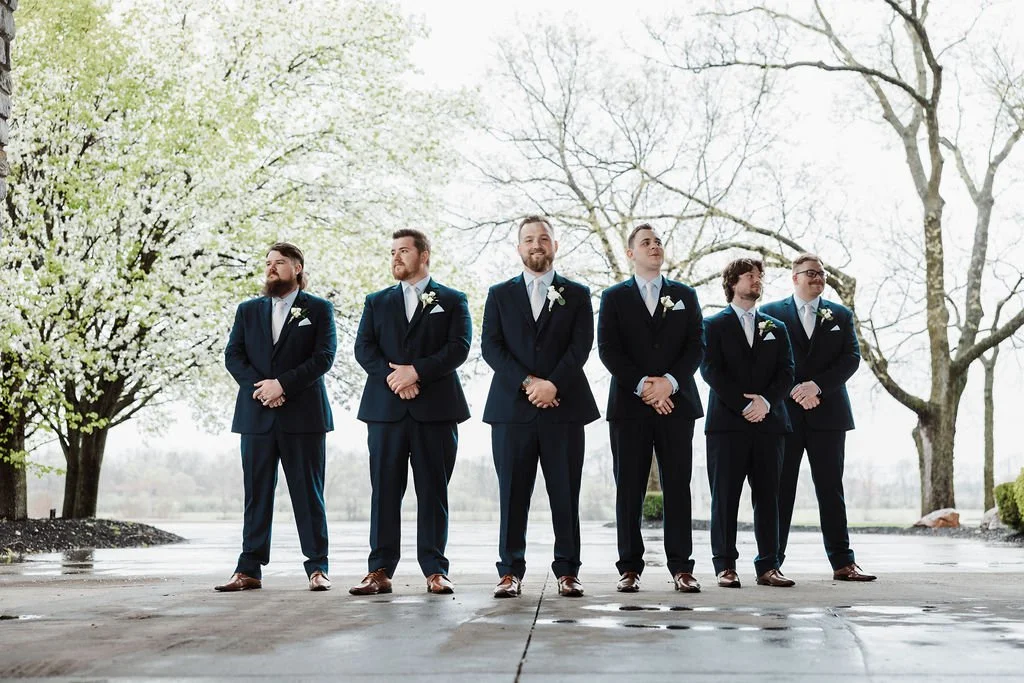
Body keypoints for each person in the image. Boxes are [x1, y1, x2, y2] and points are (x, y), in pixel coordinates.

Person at [480, 216, 600, 598]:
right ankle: (510, 571)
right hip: (511, 410)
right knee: (512, 494)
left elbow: (580, 347)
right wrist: (530, 383)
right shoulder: (499, 294)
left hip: (564, 407)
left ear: (554, 246)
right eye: (528, 239)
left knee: (565, 493)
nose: (536, 245)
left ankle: (568, 571)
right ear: (519, 248)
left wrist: (553, 385)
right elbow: (491, 348)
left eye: (543, 239)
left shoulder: (577, 294)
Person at [350, 229, 471, 596]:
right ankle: (379, 570)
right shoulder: (376, 302)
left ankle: (435, 570)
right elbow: (363, 349)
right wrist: (395, 377)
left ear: (425, 255)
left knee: (433, 491)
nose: (396, 257)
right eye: (392, 252)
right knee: (384, 491)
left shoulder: (452, 299)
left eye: (403, 250)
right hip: (385, 411)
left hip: (435, 411)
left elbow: (458, 347)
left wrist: (416, 372)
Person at [217, 242, 336, 592]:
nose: (271, 268)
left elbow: (323, 357)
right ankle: (249, 568)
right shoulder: (248, 310)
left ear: (297, 268)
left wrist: (282, 385)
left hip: (304, 417)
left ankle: (317, 567)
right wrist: (263, 388)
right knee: (256, 494)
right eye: (268, 262)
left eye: (279, 262)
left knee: (308, 494)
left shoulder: (319, 309)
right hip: (256, 416)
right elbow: (233, 355)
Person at [597, 224, 705, 593]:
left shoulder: (684, 295)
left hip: (677, 403)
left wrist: (669, 384)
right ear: (631, 254)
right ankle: (629, 567)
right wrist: (645, 385)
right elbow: (608, 349)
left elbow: (695, 347)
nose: (655, 246)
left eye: (658, 241)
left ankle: (682, 567)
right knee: (629, 487)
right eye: (646, 242)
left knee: (678, 485)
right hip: (630, 405)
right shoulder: (613, 298)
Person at [760, 254, 876, 581]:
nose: (818, 278)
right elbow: (765, 361)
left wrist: (817, 387)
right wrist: (795, 390)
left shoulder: (840, 314)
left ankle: (843, 563)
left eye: (822, 274)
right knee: (779, 491)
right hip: (785, 415)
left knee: (830, 490)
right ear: (794, 278)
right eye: (811, 273)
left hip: (830, 416)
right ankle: (770, 563)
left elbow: (851, 358)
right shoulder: (769, 314)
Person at [700, 257, 794, 588]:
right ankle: (725, 565)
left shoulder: (776, 328)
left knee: (769, 497)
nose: (756, 280)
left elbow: (787, 372)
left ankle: (769, 565)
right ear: (731, 282)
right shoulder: (712, 325)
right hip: (727, 424)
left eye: (759, 276)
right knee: (724, 496)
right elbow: (710, 370)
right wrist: (745, 404)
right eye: (749, 276)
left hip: (770, 424)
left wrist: (766, 402)